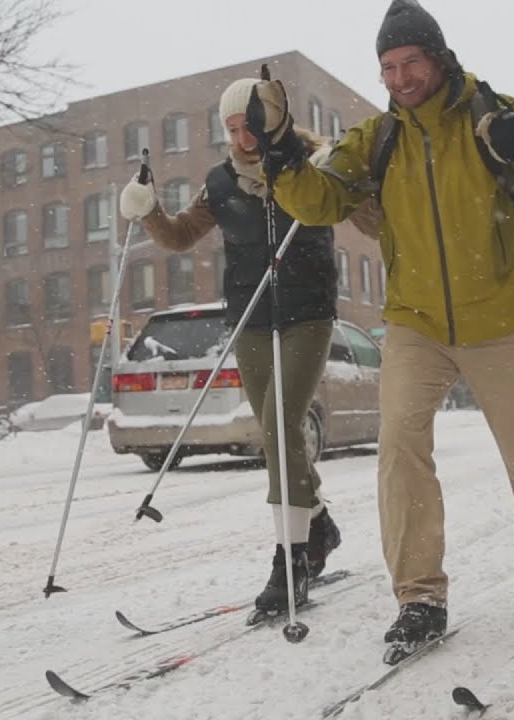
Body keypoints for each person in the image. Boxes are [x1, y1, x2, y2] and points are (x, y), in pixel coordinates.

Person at [242, 0, 514, 653]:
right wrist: (281, 154)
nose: (401, 77)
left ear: (437, 58)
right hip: (415, 323)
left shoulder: (492, 115)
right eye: (388, 66)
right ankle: (420, 598)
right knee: (400, 450)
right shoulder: (377, 139)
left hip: (498, 320)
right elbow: (320, 200)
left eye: (410, 61)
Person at [117, 78, 345, 617]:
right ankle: (318, 525)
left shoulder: (316, 167)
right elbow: (177, 237)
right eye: (232, 128)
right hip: (250, 316)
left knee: (278, 423)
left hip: (308, 311)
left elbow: (364, 218)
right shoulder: (220, 183)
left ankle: (290, 563)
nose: (242, 138)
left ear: (275, 119)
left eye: (252, 126)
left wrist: (354, 177)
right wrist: (147, 209)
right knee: (275, 433)